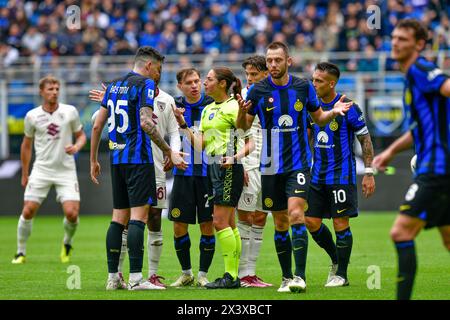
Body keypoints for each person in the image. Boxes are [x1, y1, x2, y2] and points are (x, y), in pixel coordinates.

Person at [236, 41, 352, 293]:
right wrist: (240, 111)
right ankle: (286, 277)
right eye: (269, 60)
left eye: (278, 60)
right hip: (269, 167)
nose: (273, 64)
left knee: (297, 215)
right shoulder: (256, 91)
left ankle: (300, 277)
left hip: (298, 165)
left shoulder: (303, 87)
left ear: (288, 61)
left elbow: (318, 117)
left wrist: (333, 111)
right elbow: (243, 127)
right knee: (279, 223)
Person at [90, 46, 187, 290]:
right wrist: (168, 151)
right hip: (139, 159)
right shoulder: (143, 85)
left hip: (117, 159)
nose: (158, 75)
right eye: (158, 70)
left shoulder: (112, 86)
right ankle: (136, 279)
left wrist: (93, 159)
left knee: (117, 218)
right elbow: (146, 122)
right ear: (148, 66)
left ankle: (113, 278)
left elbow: (96, 125)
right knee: (138, 218)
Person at [372, 19, 450, 300]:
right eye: (393, 38)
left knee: (400, 233)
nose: (395, 43)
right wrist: (390, 151)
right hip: (438, 167)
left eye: (403, 39)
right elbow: (417, 129)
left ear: (419, 44)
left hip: (437, 170)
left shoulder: (421, 69)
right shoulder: (411, 77)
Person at [173, 67, 252, 289]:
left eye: (207, 79)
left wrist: (235, 158)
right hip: (213, 167)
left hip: (228, 166)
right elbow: (200, 144)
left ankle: (231, 276)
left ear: (222, 84)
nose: (203, 83)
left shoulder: (234, 106)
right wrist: (182, 123)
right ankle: (232, 275)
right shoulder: (208, 109)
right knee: (228, 223)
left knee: (218, 222)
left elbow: (244, 132)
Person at [306, 62, 376, 287]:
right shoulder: (311, 106)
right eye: (313, 79)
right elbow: (308, 136)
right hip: (316, 175)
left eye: (318, 81)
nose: (314, 84)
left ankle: (342, 275)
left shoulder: (349, 106)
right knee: (311, 221)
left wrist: (368, 172)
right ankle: (336, 259)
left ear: (331, 83)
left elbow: (365, 139)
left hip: (341, 176)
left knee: (340, 222)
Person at [12, 75, 86, 265]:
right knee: (28, 211)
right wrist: (25, 173)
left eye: (56, 89)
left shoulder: (70, 111)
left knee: (72, 213)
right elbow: (26, 146)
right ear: (41, 92)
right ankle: (20, 252)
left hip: (66, 170)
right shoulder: (32, 116)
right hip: (41, 170)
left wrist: (77, 147)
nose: (54, 92)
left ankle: (67, 243)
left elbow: (81, 136)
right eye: (50, 89)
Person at [168, 68, 216, 287]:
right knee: (179, 225)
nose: (195, 85)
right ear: (180, 86)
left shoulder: (211, 105)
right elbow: (163, 132)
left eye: (197, 81)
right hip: (183, 174)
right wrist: (168, 153)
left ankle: (203, 274)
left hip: (207, 174)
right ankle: (186, 273)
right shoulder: (174, 106)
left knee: (208, 225)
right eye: (189, 82)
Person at [236, 55, 272, 288]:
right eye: (247, 74)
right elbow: (238, 130)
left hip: (271, 160)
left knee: (261, 215)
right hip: (250, 159)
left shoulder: (275, 92)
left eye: (254, 74)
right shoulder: (245, 96)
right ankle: (242, 274)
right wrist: (240, 163)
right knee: (245, 215)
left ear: (266, 74)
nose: (249, 79)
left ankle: (251, 272)